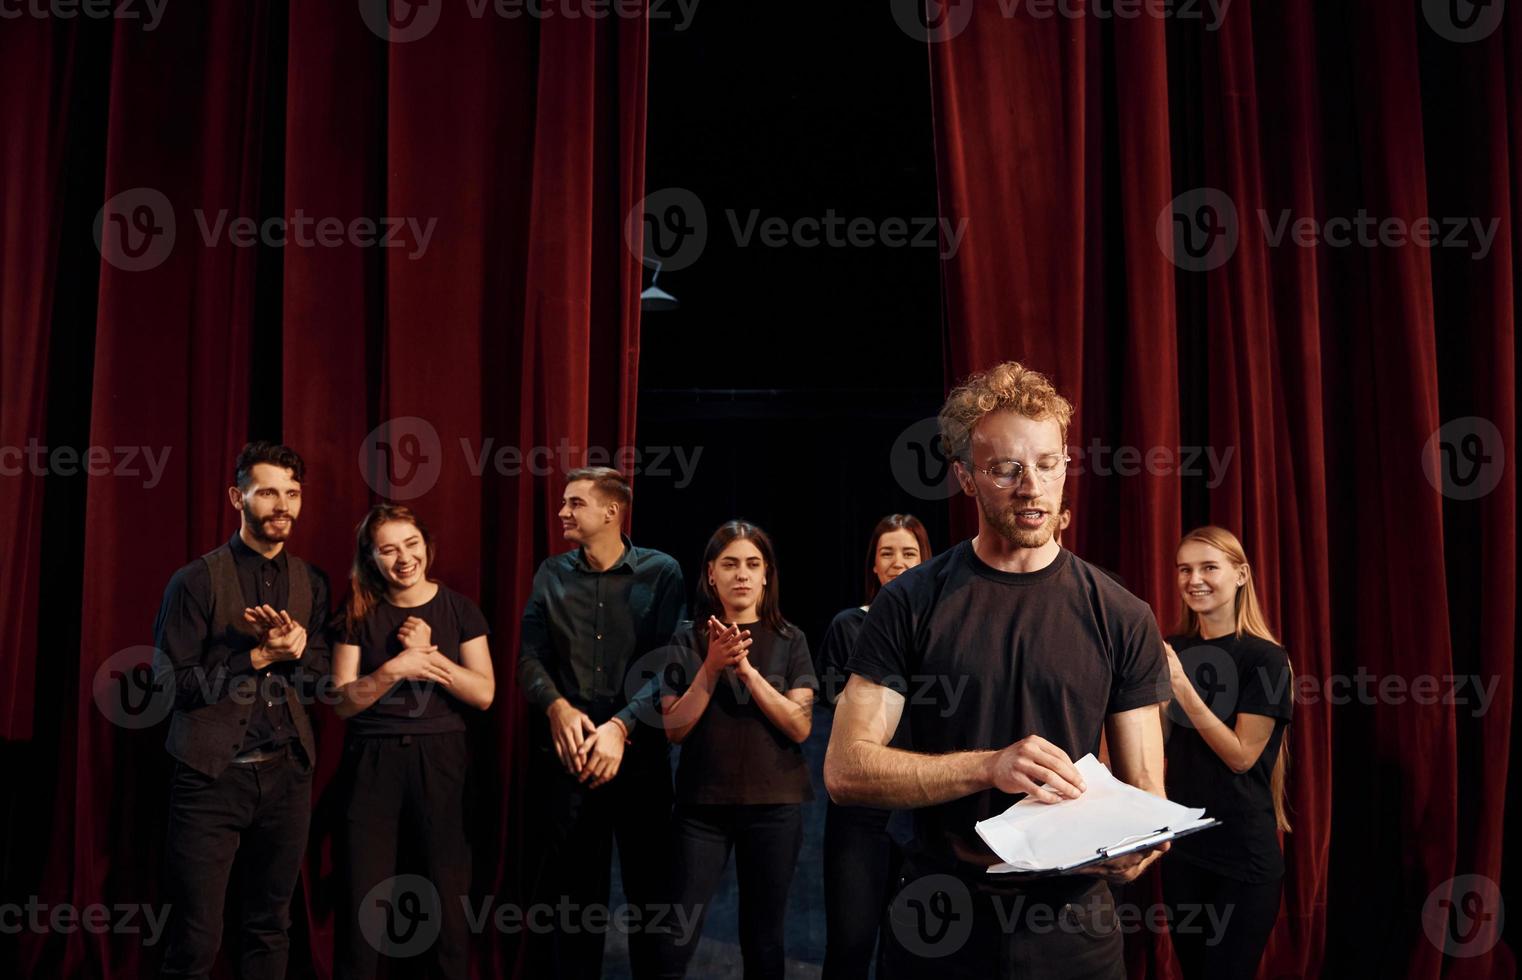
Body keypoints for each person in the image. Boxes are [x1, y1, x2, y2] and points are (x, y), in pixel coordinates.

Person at [824, 361, 1173, 980]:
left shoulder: (1123, 614)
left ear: (1067, 464)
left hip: (1075, 925)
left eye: (1046, 463)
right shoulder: (909, 602)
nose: (1030, 487)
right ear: (966, 477)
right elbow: (846, 770)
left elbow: (1147, 793)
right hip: (941, 914)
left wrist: (1138, 843)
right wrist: (989, 766)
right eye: (1005, 468)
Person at [152, 442, 331, 980]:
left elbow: (322, 679)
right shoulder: (196, 581)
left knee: (270, 926)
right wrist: (255, 656)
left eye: (293, 493)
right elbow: (169, 685)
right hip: (210, 781)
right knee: (196, 937)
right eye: (269, 491)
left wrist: (297, 652)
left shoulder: (312, 582)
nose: (284, 505)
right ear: (237, 497)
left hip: (287, 778)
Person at [517, 467, 687, 978]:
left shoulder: (662, 572)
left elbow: (670, 665)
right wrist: (557, 707)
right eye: (564, 503)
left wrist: (620, 727)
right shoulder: (551, 572)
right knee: (573, 905)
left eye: (575, 503)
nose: (563, 512)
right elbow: (529, 657)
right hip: (569, 756)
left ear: (612, 511)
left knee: (650, 901)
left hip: (638, 757)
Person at [331, 504, 495, 980]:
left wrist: (428, 656)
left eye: (411, 544)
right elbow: (342, 702)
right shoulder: (357, 612)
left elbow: (483, 694)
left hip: (442, 759)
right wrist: (393, 669)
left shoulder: (460, 609)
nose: (404, 558)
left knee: (446, 894)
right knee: (365, 893)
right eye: (388, 549)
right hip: (371, 762)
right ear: (372, 558)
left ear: (427, 546)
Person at [655, 521, 817, 980]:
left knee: (763, 938)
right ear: (711, 574)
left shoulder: (791, 640)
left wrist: (746, 671)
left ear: (767, 574)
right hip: (700, 809)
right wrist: (711, 665)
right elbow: (674, 728)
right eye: (729, 564)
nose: (741, 574)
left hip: (774, 808)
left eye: (752, 564)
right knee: (675, 935)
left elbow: (800, 726)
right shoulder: (687, 640)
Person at [1160, 525, 1293, 980]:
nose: (1194, 579)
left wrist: (1182, 687)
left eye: (1208, 567)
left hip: (1243, 860)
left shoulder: (1266, 660)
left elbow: (1240, 756)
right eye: (1184, 569)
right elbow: (1151, 743)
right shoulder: (1171, 648)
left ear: (1241, 575)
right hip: (1184, 854)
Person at [818, 514, 931, 980]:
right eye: (887, 553)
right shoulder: (849, 625)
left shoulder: (943, 627)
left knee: (911, 950)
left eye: (909, 553)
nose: (898, 563)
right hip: (862, 807)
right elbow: (837, 701)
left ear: (927, 561)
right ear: (873, 565)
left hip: (926, 803)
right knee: (850, 943)